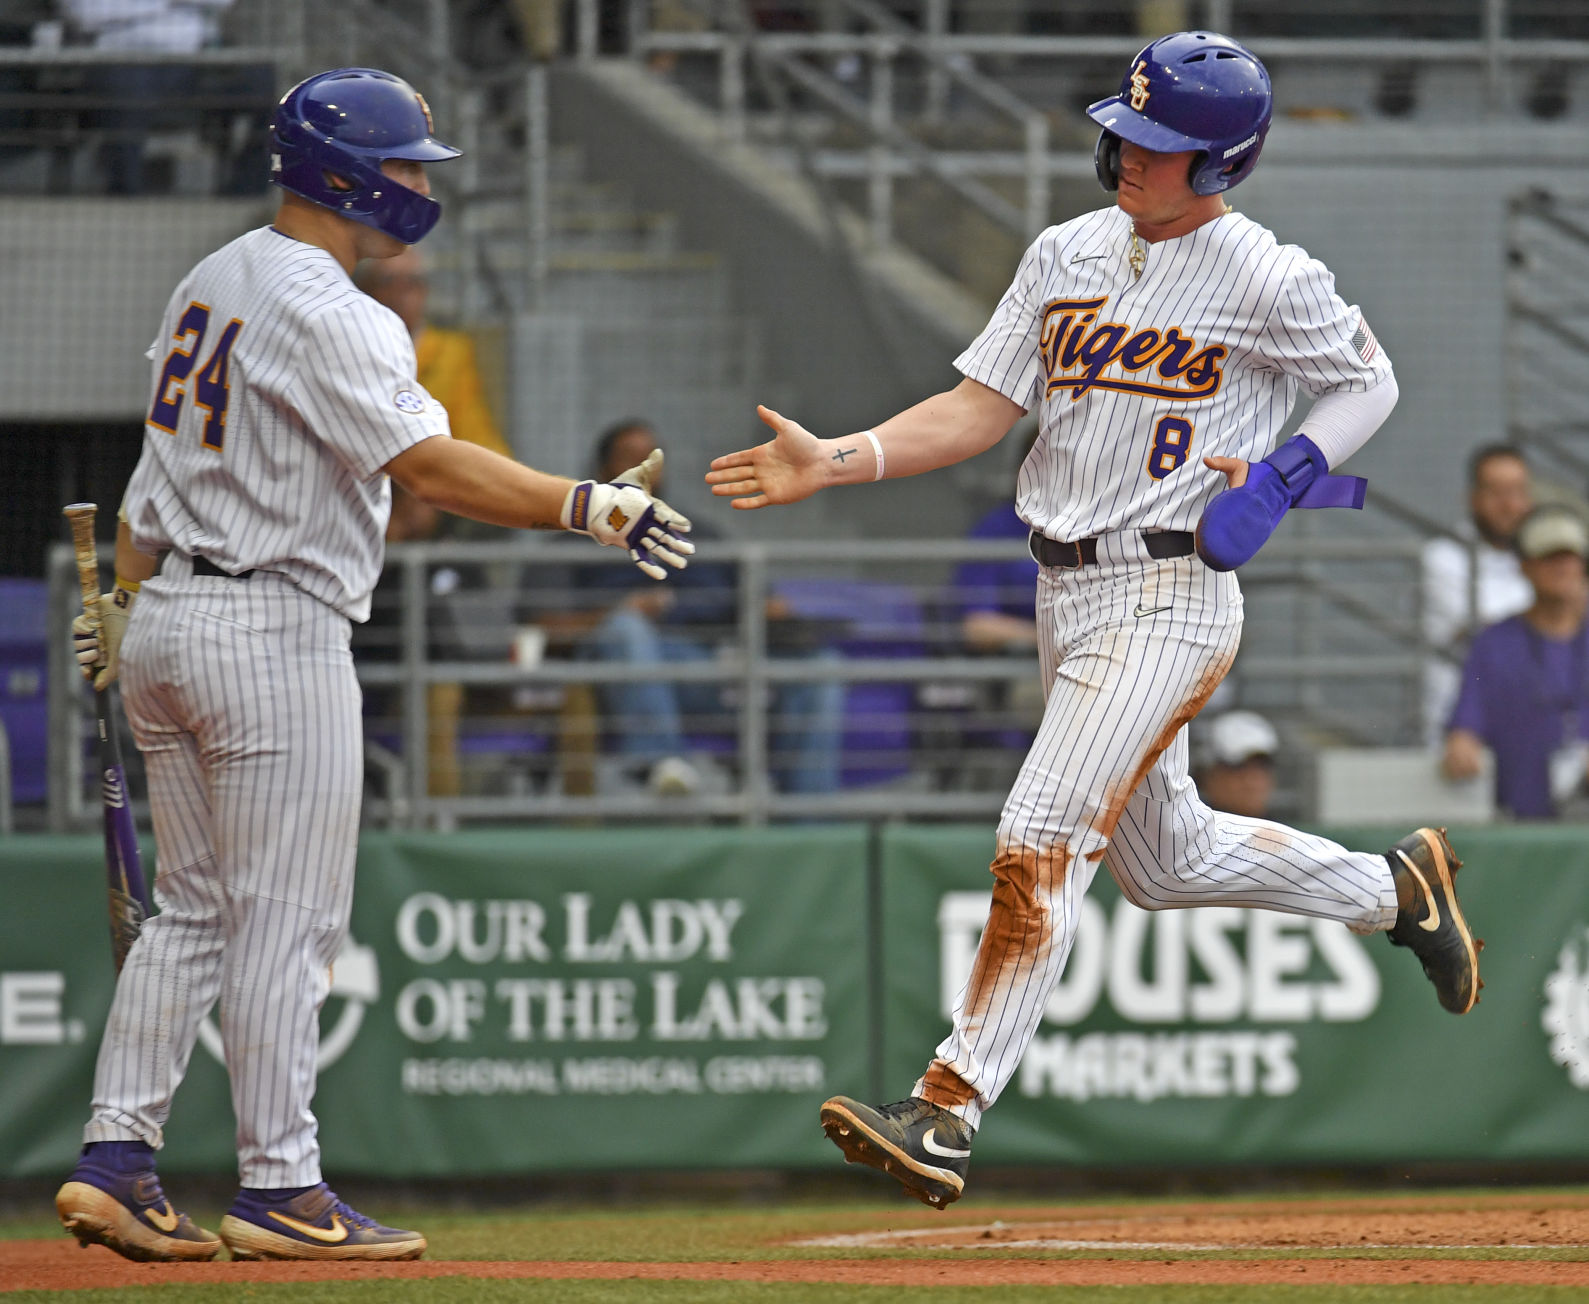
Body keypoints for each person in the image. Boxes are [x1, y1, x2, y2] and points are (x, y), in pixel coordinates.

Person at [707, 30, 1482, 1209]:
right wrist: (842, 459)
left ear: (1220, 163)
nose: (1125, 151)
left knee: (1040, 828)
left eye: (1159, 143)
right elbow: (978, 408)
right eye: (1122, 128)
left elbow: (1366, 378)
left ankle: (948, 1104)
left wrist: (1284, 474)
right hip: (1061, 588)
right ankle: (1395, 891)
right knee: (1164, 864)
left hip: (1170, 589)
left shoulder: (1263, 272)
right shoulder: (1064, 249)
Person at [57, 66, 691, 1263]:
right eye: (404, 166)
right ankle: (281, 1183)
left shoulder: (214, 276)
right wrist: (584, 504)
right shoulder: (335, 308)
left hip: (173, 616)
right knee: (286, 921)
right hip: (274, 626)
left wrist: (128, 601)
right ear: (345, 173)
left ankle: (117, 1157)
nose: (416, 186)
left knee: (190, 910)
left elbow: (151, 491)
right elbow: (431, 466)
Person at [538, 419, 844, 797]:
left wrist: (770, 611)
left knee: (821, 667)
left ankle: (809, 819)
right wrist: (620, 611)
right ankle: (664, 766)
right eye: (630, 458)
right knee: (626, 629)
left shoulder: (699, 533)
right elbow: (542, 627)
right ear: (602, 470)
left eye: (652, 458)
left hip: (713, 664)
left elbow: (756, 597)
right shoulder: (571, 543)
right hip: (625, 671)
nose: (645, 467)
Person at [1443, 505, 1589, 819]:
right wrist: (1462, 741)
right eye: (1548, 557)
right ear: (1524, 566)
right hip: (1522, 821)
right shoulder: (1494, 642)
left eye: (1569, 557)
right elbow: (1465, 725)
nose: (1562, 567)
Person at [1421, 445, 1533, 740]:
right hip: (1459, 734)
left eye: (1518, 492)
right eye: (1497, 492)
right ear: (1472, 498)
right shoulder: (1443, 557)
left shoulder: (1537, 559)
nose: (1510, 505)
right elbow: (1492, 630)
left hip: (1529, 728)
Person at [1193, 709, 1278, 819]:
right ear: (1208, 776)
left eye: (1262, 767)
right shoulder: (1183, 832)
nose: (1252, 782)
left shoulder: (1288, 834)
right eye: (1238, 768)